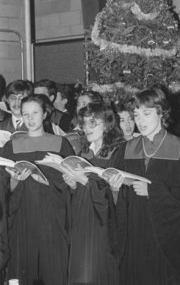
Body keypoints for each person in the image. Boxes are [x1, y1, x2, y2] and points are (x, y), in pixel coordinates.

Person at [109, 87, 180, 285]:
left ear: (161, 113)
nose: (140, 121)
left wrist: (154, 191)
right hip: (133, 235)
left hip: (165, 240)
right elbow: (112, 196)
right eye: (136, 114)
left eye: (146, 113)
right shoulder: (125, 150)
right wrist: (115, 190)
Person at [0, 94, 74, 285]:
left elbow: (72, 183)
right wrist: (15, 180)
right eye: (25, 114)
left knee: (53, 268)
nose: (30, 118)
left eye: (34, 113)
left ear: (45, 114)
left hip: (52, 215)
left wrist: (45, 178)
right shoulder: (11, 146)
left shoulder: (60, 143)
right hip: (21, 215)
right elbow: (4, 186)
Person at [63, 101, 125, 285]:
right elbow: (77, 193)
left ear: (106, 124)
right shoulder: (84, 153)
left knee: (96, 271)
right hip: (81, 220)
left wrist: (85, 181)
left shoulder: (118, 152)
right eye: (84, 123)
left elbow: (118, 194)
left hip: (103, 225)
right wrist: (73, 184)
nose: (87, 128)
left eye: (93, 123)